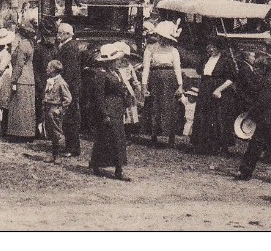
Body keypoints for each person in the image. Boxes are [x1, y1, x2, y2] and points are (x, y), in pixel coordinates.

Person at [234, 53, 271, 184]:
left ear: (264, 68)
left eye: (257, 68)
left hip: (267, 120)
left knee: (257, 147)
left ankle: (245, 172)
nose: (255, 70)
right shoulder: (268, 79)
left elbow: (262, 102)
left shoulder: (268, 81)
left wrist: (250, 115)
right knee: (270, 148)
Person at [88, 44, 132, 181]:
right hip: (108, 110)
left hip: (117, 109)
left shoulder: (116, 73)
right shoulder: (101, 75)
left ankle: (117, 167)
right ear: (110, 61)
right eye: (117, 59)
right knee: (107, 138)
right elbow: (99, 96)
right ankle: (106, 166)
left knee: (118, 139)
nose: (119, 62)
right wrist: (104, 113)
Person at [141, 21, 185, 147]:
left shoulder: (174, 51)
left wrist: (180, 85)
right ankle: (154, 135)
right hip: (155, 80)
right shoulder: (150, 49)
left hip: (170, 80)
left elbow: (177, 68)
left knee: (170, 108)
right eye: (162, 37)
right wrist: (144, 86)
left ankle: (171, 136)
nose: (164, 40)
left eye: (167, 38)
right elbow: (146, 68)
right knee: (155, 106)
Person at [191, 42, 237, 155]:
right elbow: (200, 72)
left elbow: (231, 78)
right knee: (203, 116)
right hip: (205, 89)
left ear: (219, 48)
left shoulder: (226, 60)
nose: (211, 49)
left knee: (218, 117)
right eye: (209, 47)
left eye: (213, 47)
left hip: (219, 90)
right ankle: (203, 144)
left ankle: (221, 146)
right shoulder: (205, 59)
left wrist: (219, 89)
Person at [55, 23, 84, 157]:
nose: (58, 35)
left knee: (70, 117)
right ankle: (70, 146)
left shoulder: (70, 48)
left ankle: (72, 148)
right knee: (69, 117)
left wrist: (63, 86)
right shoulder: (68, 46)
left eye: (60, 33)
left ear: (67, 34)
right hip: (70, 86)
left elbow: (70, 71)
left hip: (70, 87)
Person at [6, 24, 37, 139]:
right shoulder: (30, 43)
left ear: (20, 33)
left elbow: (19, 65)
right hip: (29, 78)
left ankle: (19, 133)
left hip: (21, 79)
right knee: (27, 107)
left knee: (19, 107)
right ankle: (28, 132)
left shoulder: (22, 45)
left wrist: (13, 79)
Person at [42, 60, 72, 163]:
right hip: (48, 108)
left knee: (57, 133)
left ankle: (58, 155)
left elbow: (68, 99)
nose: (46, 69)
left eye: (48, 67)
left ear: (53, 70)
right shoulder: (50, 80)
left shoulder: (61, 83)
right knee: (50, 132)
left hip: (55, 110)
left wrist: (60, 110)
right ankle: (53, 154)